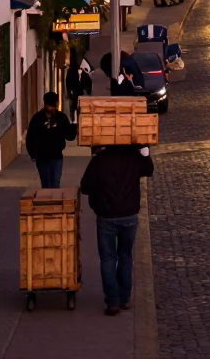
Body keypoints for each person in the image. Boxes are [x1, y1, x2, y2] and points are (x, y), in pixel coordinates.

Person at [80, 144, 155, 316]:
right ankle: (125, 298)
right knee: (125, 256)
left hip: (106, 215)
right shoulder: (133, 157)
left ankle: (112, 301)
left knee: (107, 258)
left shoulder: (100, 160)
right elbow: (149, 170)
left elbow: (85, 187)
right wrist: (144, 151)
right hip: (129, 215)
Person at [25, 92, 78, 189]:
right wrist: (32, 154)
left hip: (56, 156)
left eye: (53, 106)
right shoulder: (37, 118)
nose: (51, 109)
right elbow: (30, 137)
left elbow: (69, 135)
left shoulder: (61, 118)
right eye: (50, 106)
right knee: (45, 184)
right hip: (42, 157)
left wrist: (75, 128)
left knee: (55, 184)